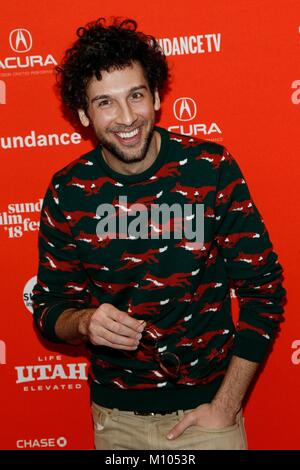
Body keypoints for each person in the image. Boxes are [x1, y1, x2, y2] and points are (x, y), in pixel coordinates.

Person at [32, 17, 286, 451]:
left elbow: (265, 291)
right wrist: (85, 322)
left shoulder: (210, 168)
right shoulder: (68, 191)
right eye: (105, 103)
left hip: (208, 418)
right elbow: (49, 310)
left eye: (135, 95)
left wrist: (226, 405)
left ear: (156, 97)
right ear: (83, 114)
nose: (127, 117)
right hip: (117, 422)